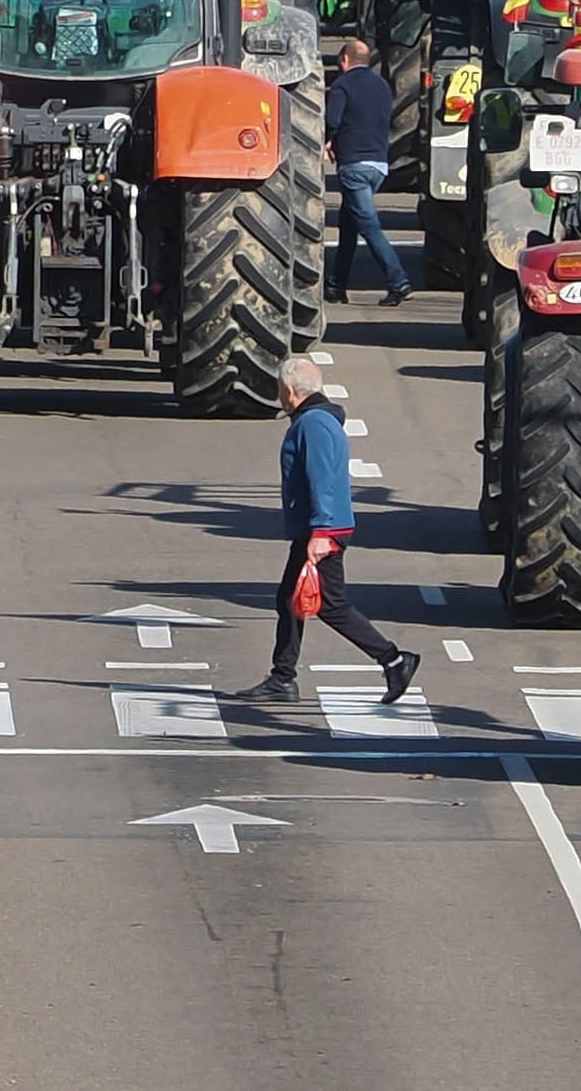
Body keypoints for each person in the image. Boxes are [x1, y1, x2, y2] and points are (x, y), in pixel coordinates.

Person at [235, 356, 419, 706]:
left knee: (330, 605)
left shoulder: (314, 424)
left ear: (288, 390)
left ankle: (394, 660)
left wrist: (321, 532)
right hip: (319, 527)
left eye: (279, 390)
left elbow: (323, 480)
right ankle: (282, 677)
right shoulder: (316, 420)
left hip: (324, 530)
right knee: (290, 600)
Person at [325, 37, 410, 305]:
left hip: (354, 165)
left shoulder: (342, 85)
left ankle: (399, 281)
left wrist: (327, 140)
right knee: (349, 224)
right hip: (379, 165)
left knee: (369, 225)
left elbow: (332, 120)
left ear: (344, 60)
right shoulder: (382, 86)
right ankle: (336, 285)